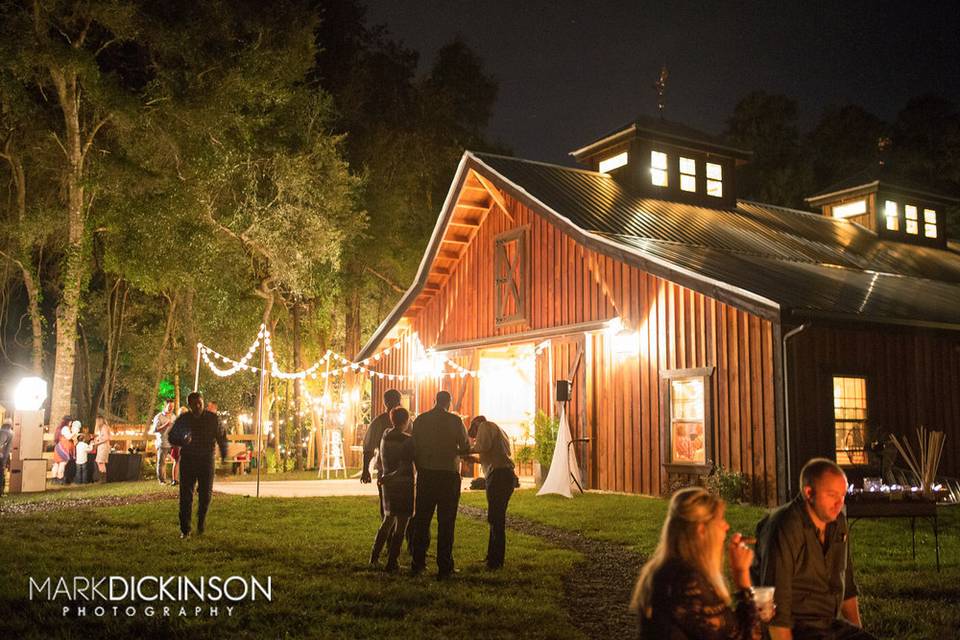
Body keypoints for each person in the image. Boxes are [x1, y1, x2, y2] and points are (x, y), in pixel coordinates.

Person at [754, 458, 876, 640]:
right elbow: (776, 609)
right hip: (798, 628)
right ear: (809, 492)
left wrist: (858, 631)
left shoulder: (837, 523)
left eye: (842, 495)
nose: (839, 503)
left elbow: (847, 584)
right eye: (832, 495)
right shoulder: (785, 527)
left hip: (829, 625)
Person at [631, 486, 762, 640]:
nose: (726, 526)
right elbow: (747, 636)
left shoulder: (667, 570)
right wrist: (742, 576)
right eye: (720, 520)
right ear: (701, 530)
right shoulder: (688, 583)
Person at [409, 390, 470, 579]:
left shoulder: (420, 420)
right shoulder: (455, 421)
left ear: (434, 401)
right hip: (448, 475)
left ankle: (418, 563)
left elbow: (414, 447)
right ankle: (444, 565)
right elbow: (465, 446)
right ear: (449, 402)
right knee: (446, 522)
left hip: (427, 474)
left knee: (422, 520)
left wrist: (420, 467)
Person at [169, 392, 227, 538]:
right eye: (194, 404)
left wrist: (224, 454)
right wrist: (183, 440)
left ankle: (201, 523)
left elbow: (221, 436)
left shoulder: (212, 419)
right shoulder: (184, 419)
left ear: (203, 402)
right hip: (188, 460)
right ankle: (185, 529)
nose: (197, 406)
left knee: (205, 494)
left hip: (206, 460)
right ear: (189, 405)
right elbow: (171, 436)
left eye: (200, 403)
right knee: (185, 496)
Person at [369, 406, 415, 572]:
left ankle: (374, 556)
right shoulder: (407, 440)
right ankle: (392, 561)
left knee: (387, 520)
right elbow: (405, 465)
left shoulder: (385, 436)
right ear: (407, 420)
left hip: (387, 482)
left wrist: (387, 476)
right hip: (403, 483)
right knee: (401, 525)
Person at [468, 416, 518, 569]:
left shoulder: (485, 425)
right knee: (495, 517)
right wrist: (474, 460)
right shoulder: (499, 431)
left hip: (498, 477)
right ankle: (492, 556)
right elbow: (493, 454)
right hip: (505, 475)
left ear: (476, 425)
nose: (476, 437)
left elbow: (482, 447)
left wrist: (462, 450)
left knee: (496, 519)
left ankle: (496, 561)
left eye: (475, 435)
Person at [361, 389, 403, 512]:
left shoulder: (378, 422)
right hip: (394, 470)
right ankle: (392, 530)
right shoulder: (406, 420)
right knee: (395, 507)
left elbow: (368, 447)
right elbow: (369, 448)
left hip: (389, 470)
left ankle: (389, 530)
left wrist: (365, 469)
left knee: (387, 507)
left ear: (384, 402)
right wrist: (365, 470)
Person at [149, 401, 176, 485]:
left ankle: (175, 479)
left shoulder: (174, 416)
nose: (171, 408)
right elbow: (155, 430)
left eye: (172, 406)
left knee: (176, 461)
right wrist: (166, 425)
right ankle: (162, 481)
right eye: (169, 406)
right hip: (163, 442)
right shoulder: (159, 416)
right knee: (162, 463)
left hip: (173, 443)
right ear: (165, 406)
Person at [93, 417, 112, 483]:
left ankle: (103, 479)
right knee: (99, 462)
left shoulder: (104, 427)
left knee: (101, 462)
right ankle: (102, 478)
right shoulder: (102, 428)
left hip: (103, 447)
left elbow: (106, 438)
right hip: (102, 447)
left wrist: (98, 442)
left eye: (97, 421)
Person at [0, 420, 12, 497]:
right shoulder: (6, 432)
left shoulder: (3, 431)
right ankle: (1, 492)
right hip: (1, 457)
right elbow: (1, 443)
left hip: (3, 456)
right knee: (1, 475)